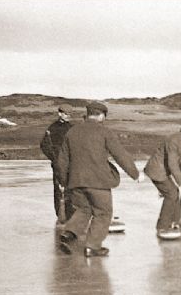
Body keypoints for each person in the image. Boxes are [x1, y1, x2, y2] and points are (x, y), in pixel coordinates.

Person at [56, 102, 141, 257]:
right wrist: (135, 174)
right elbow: (120, 155)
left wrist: (64, 182)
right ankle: (92, 247)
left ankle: (69, 232)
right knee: (103, 213)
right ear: (101, 115)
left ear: (88, 114)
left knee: (84, 209)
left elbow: (62, 160)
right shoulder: (104, 132)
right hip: (99, 182)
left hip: (76, 182)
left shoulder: (72, 132)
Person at [144, 124, 181, 238]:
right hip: (157, 170)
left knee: (174, 192)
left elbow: (178, 158)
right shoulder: (174, 141)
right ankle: (162, 227)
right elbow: (172, 164)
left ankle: (178, 221)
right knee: (171, 194)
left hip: (163, 171)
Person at [40, 107, 73, 220]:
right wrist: (54, 158)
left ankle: (71, 215)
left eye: (69, 113)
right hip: (59, 164)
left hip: (71, 164)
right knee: (59, 189)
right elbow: (44, 145)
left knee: (71, 188)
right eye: (66, 113)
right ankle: (61, 216)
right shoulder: (52, 128)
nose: (68, 115)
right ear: (60, 113)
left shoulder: (72, 127)